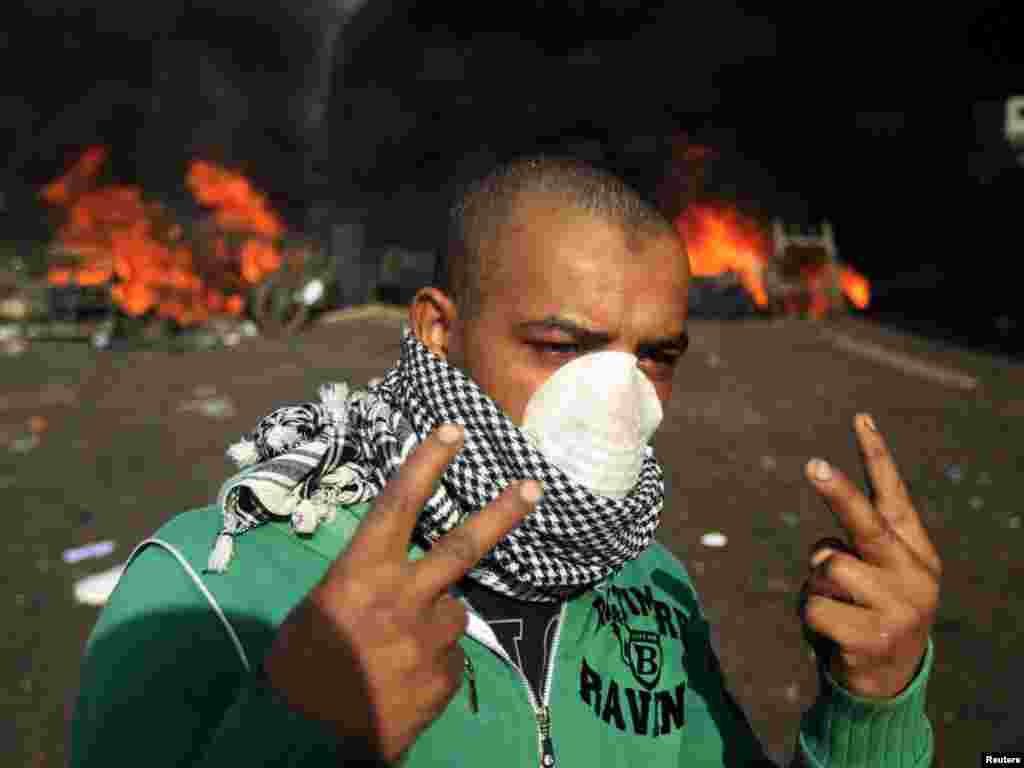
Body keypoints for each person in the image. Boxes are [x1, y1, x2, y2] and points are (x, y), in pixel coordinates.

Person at [69, 157, 939, 767]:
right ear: (436, 331)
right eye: (563, 345)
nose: (622, 398)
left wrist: (874, 705)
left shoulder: (650, 583)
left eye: (658, 357)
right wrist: (295, 733)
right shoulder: (214, 586)